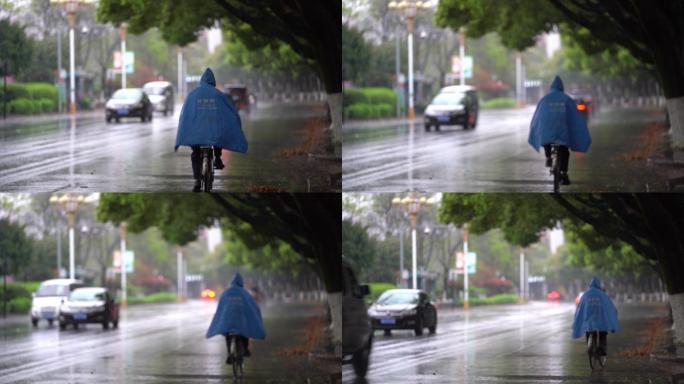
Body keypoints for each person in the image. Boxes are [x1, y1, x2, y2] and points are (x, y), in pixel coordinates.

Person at [175, 68, 248, 192]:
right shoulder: (218, 95)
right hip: (213, 130)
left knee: (196, 152)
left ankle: (197, 179)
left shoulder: (193, 95)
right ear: (213, 81)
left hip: (197, 132)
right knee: (218, 135)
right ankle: (217, 158)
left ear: (201, 81)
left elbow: (185, 115)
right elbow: (230, 112)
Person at [528, 75, 591, 185]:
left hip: (547, 130)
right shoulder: (567, 99)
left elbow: (538, 117)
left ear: (551, 87)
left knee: (546, 140)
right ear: (561, 88)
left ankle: (548, 157)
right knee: (564, 151)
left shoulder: (544, 99)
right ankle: (564, 173)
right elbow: (575, 118)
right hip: (562, 131)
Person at [206, 273, 266, 364]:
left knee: (228, 334)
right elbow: (252, 306)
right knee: (244, 331)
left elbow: (221, 307)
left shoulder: (226, 292)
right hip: (240, 319)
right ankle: (245, 349)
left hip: (228, 319)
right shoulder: (244, 293)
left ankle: (229, 354)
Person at [572, 277, 620, 356]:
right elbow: (610, 307)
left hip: (589, 317)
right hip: (600, 317)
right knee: (603, 331)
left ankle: (589, 347)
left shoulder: (586, 294)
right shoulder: (602, 294)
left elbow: (580, 308)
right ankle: (602, 349)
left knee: (589, 330)